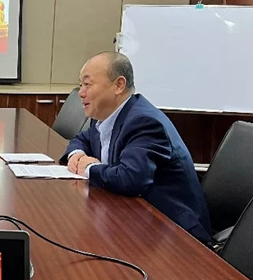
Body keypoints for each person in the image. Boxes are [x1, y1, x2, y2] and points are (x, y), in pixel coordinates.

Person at [61, 52, 211, 243]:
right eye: (81, 84)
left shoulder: (144, 122)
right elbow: (82, 138)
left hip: (176, 234)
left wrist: (89, 168)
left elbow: (130, 178)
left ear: (118, 85)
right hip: (136, 220)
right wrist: (77, 154)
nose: (81, 93)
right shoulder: (105, 114)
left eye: (88, 84)